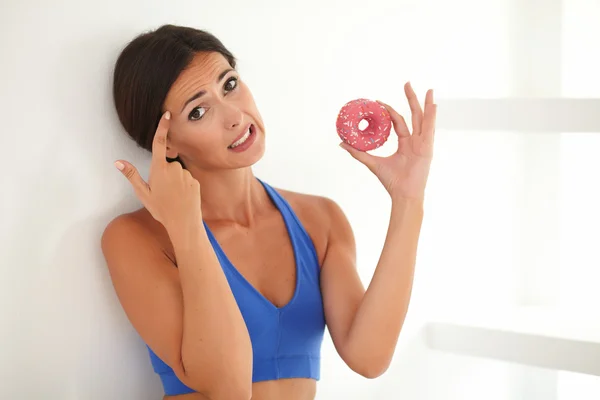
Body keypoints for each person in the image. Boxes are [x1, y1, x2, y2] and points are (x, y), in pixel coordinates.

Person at [101, 24, 437, 400]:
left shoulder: (320, 220)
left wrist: (408, 201)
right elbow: (226, 386)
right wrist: (188, 231)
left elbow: (369, 357)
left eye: (229, 84)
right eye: (198, 111)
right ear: (165, 142)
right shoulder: (137, 238)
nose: (233, 116)